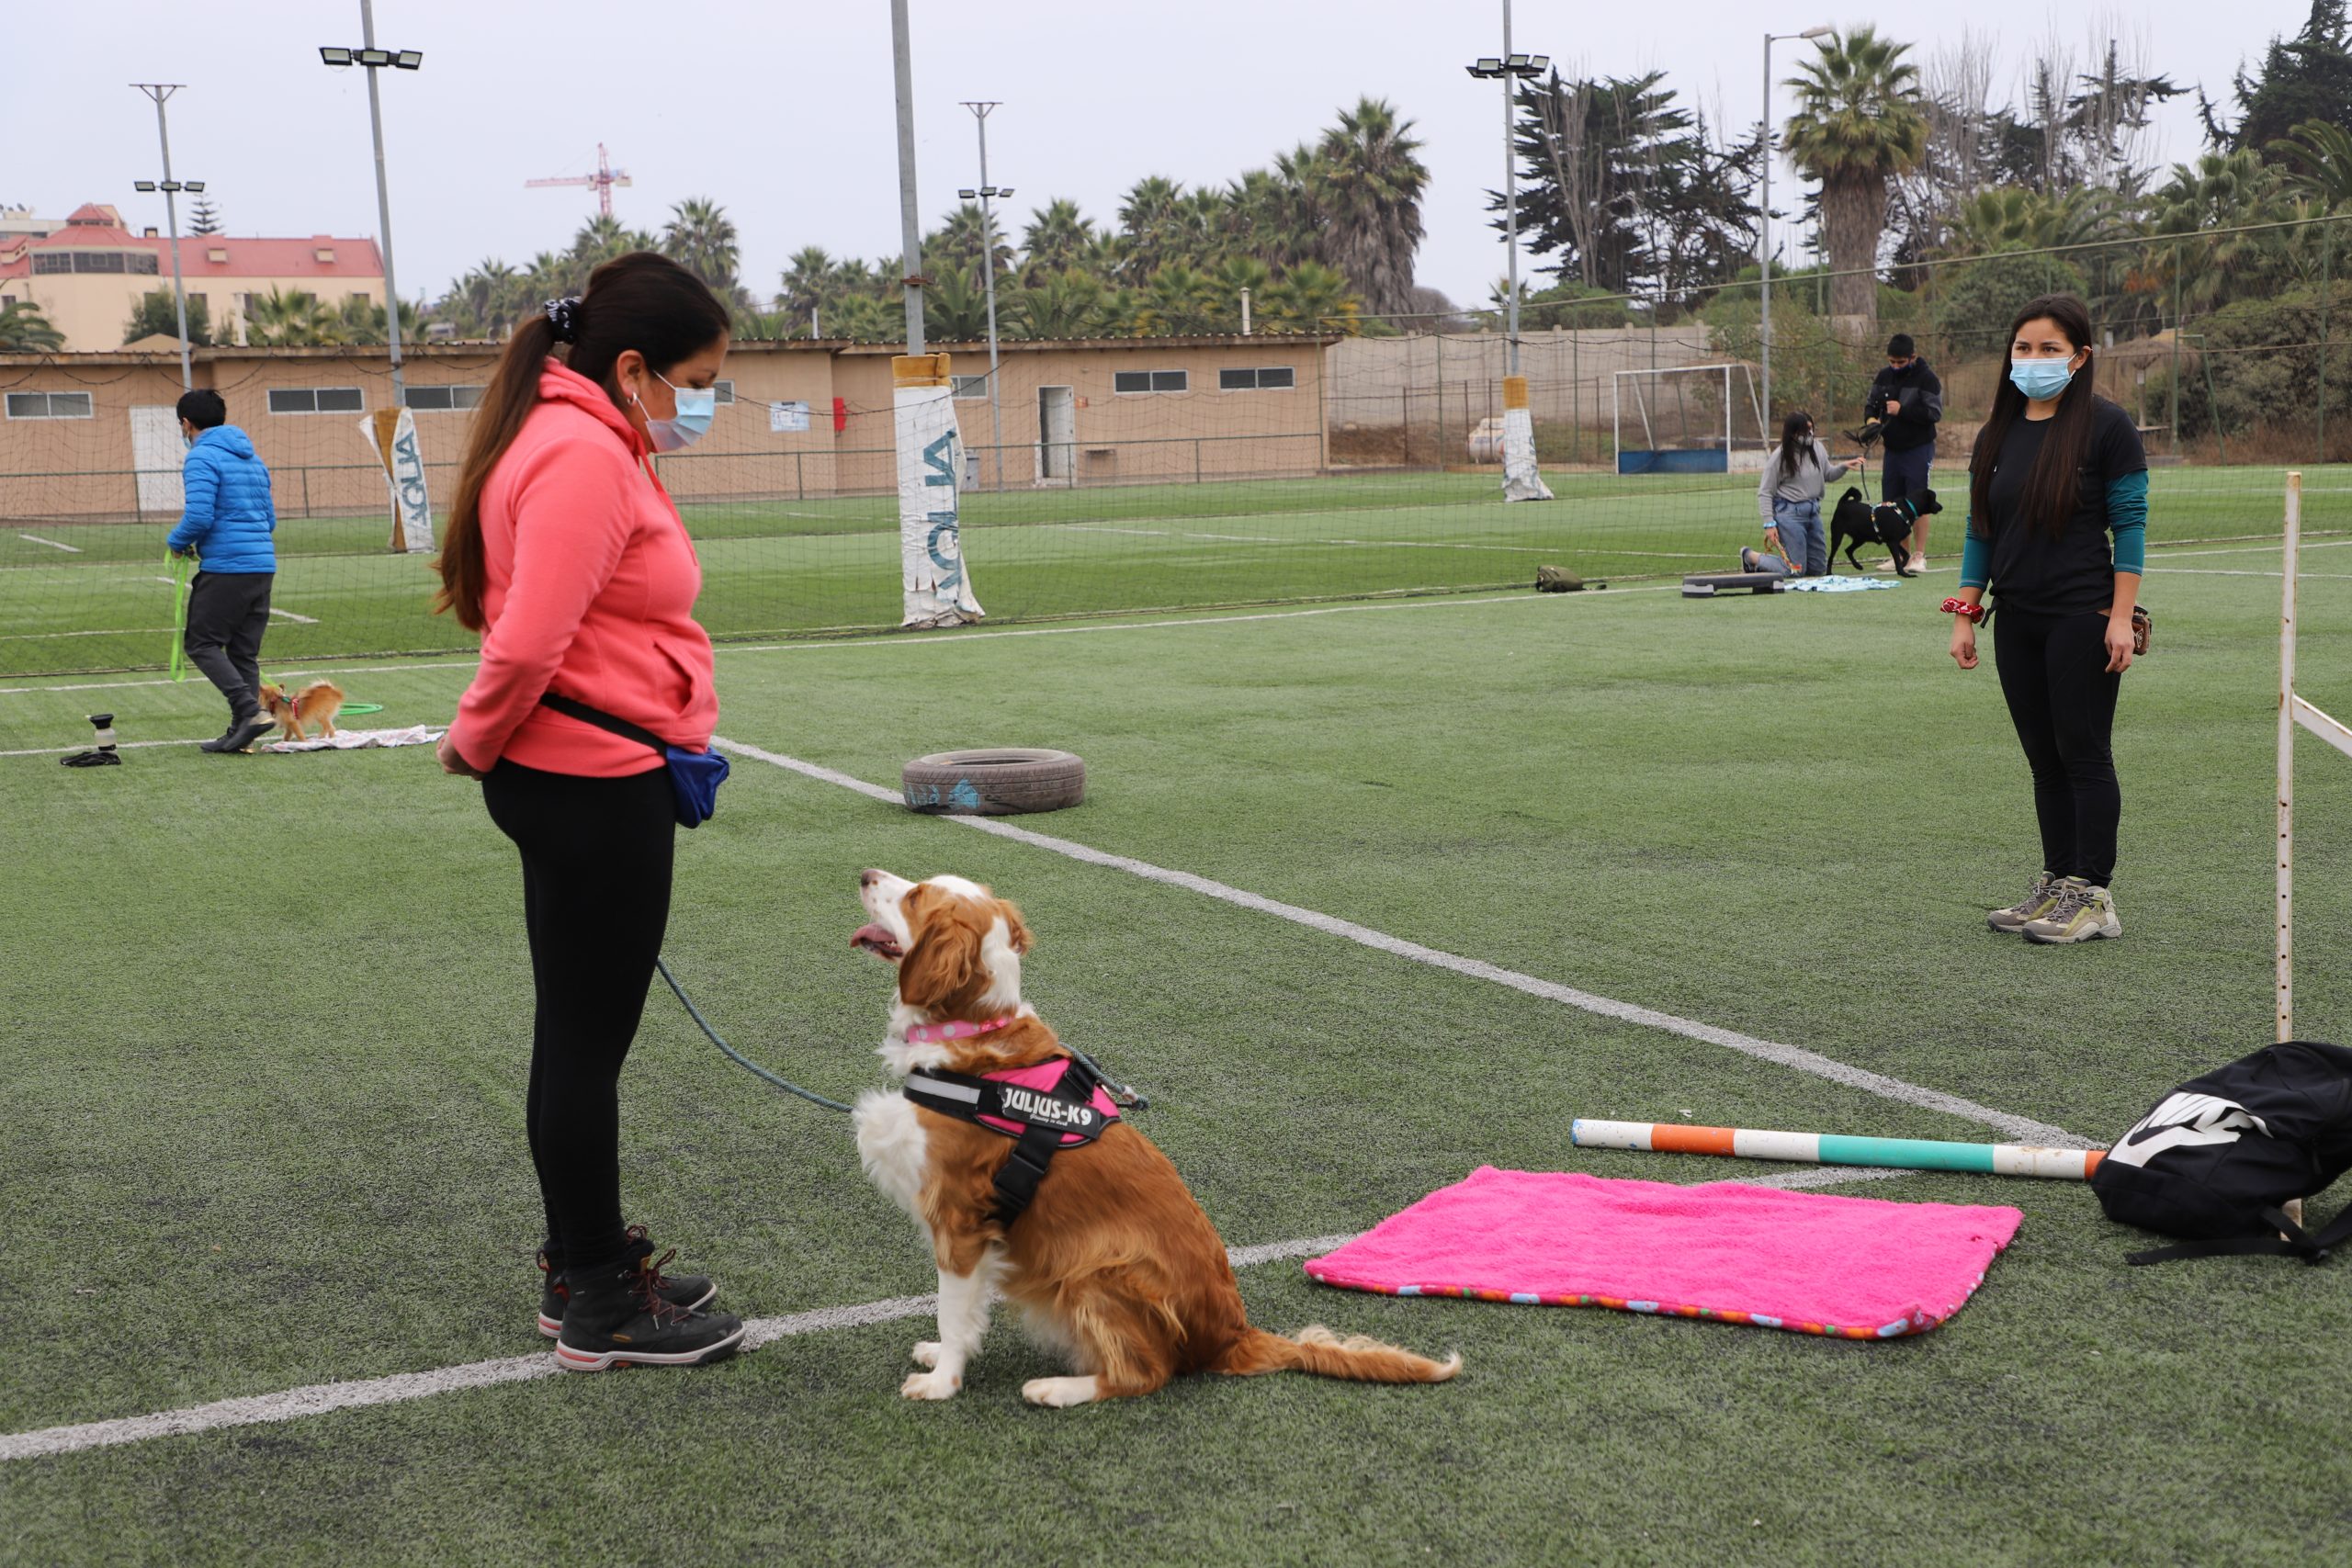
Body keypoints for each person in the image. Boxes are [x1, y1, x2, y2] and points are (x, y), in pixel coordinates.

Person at [433, 252, 744, 1371]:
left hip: (589, 771)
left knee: (574, 1033)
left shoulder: (589, 439)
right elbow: (525, 639)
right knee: (583, 1046)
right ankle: (606, 1303)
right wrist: (471, 744)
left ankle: (584, 1264)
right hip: (588, 781)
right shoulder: (579, 456)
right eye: (695, 378)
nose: (703, 399)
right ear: (631, 367)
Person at [1947, 293, 2146, 945]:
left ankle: (2094, 897)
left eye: (2049, 348)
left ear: (2080, 355)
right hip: (2018, 619)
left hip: (2082, 616)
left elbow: (2131, 527)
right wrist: (1965, 612)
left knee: (2083, 753)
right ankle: (2058, 881)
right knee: (2043, 760)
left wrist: (2119, 617)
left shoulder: (2106, 426)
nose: (2033, 359)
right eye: (2023, 347)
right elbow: (1982, 529)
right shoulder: (1996, 433)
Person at [165, 389, 280, 754]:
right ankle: (241, 734)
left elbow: (199, 516)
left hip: (227, 568)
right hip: (262, 566)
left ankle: (250, 711)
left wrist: (176, 541)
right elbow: (270, 520)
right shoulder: (254, 460)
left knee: (200, 643)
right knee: (243, 653)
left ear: (186, 423)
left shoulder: (201, 458)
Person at [1864, 333, 1942, 572]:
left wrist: (1903, 410)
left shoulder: (1927, 379)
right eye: (1892, 362)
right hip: (1893, 450)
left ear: (1913, 357)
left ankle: (1918, 555)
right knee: (1892, 501)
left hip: (1918, 449)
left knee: (1918, 501)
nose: (1896, 367)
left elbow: (1934, 413)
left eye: (1901, 362)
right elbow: (1871, 404)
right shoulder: (1884, 376)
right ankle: (1900, 555)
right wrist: (1870, 421)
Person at [1742, 410, 1849, 578]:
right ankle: (1750, 556)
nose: (1810, 434)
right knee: (1795, 570)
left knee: (1817, 569)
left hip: (1813, 512)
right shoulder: (1780, 456)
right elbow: (1765, 492)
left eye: (1811, 429)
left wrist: (1844, 467)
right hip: (1789, 514)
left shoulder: (1817, 447)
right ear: (1793, 433)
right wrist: (1769, 524)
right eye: (1805, 431)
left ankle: (1770, 562)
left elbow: (1828, 474)